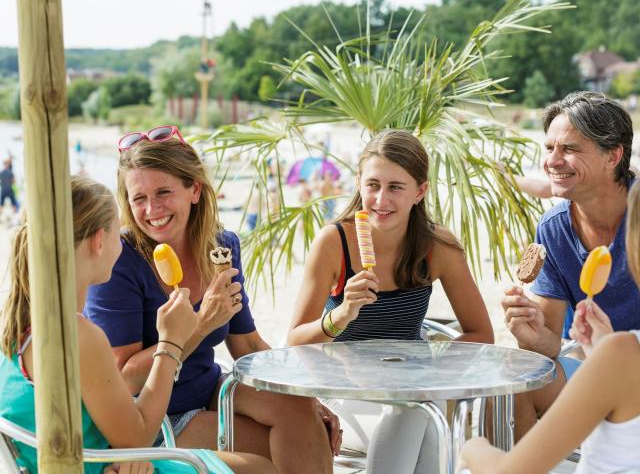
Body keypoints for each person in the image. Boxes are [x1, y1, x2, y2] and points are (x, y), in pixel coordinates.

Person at [84, 126, 337, 474]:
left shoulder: (222, 246)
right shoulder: (121, 261)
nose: (151, 209)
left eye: (163, 192)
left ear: (195, 189)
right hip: (152, 418)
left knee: (302, 417)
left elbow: (246, 342)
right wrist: (202, 323)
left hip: (209, 388)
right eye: (138, 198)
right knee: (272, 463)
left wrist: (305, 396)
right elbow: (126, 378)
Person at [0, 176, 274, 474]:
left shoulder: (20, 321)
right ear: (99, 241)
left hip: (86, 459)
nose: (123, 246)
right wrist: (171, 342)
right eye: (120, 235)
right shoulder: (79, 336)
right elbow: (139, 436)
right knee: (262, 469)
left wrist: (123, 452)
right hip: (96, 464)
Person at [288, 129, 494, 473]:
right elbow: (293, 343)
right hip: (342, 391)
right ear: (359, 183)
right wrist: (340, 315)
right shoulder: (334, 243)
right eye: (373, 185)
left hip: (413, 389)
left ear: (420, 191)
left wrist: (426, 367)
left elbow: (480, 334)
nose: (381, 199)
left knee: (416, 409)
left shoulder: (437, 246)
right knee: (425, 424)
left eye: (396, 187)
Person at [460, 181, 640, 474]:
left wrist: (470, 448)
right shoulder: (555, 228)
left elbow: (506, 471)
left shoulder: (622, 355)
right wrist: (602, 349)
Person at [502, 91, 640, 440]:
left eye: (570, 149)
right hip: (589, 364)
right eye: (549, 148)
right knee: (517, 382)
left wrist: (615, 353)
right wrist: (530, 333)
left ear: (613, 155)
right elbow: (551, 349)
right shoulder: (553, 229)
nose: (553, 161)